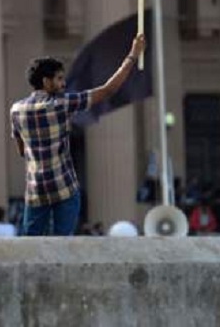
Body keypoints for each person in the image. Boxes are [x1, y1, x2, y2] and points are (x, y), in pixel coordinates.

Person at [11, 33, 146, 236]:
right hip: (64, 188)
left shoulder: (16, 109)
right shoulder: (62, 104)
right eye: (59, 79)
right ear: (46, 81)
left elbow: (21, 150)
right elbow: (108, 90)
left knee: (31, 246)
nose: (63, 84)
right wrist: (133, 55)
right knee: (62, 244)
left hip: (35, 191)